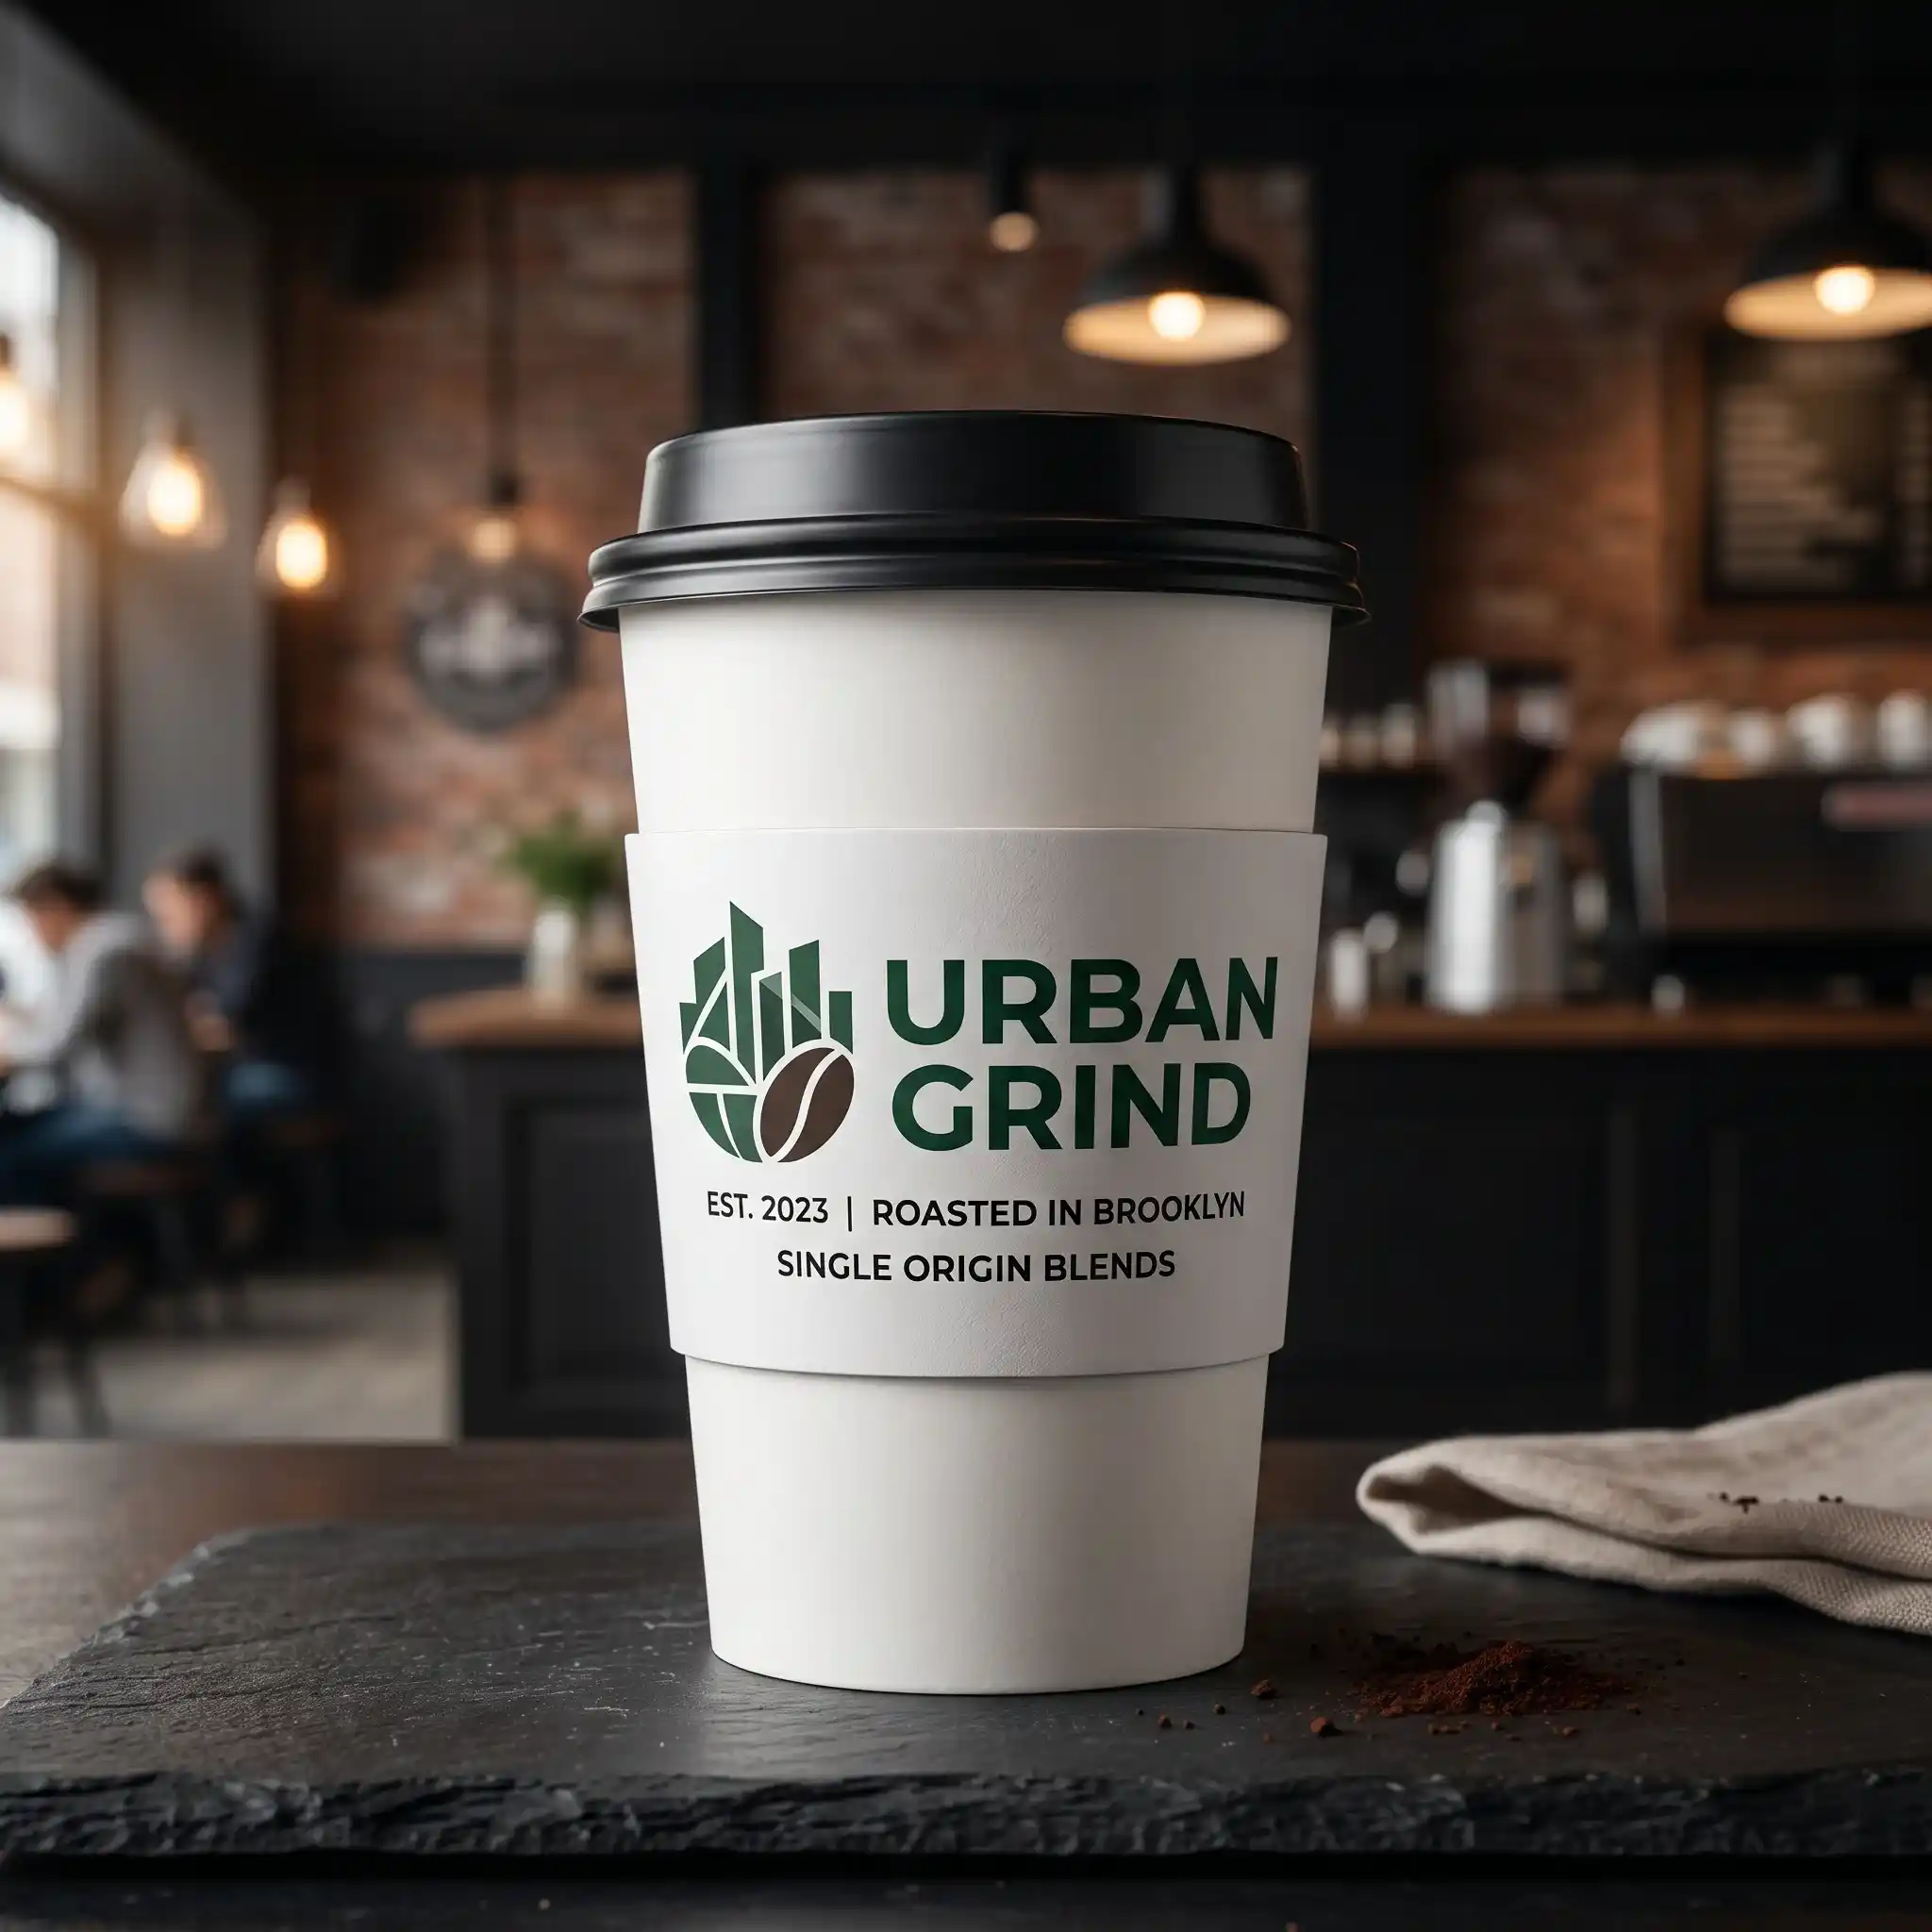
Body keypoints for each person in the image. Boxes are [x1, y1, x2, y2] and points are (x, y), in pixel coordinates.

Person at [0, 861, 206, 1208]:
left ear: (56, 906)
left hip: (152, 1119)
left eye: (32, 919)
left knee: (18, 1152)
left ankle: (49, 1256)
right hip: (153, 1107)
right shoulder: (119, 937)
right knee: (21, 1127)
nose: (33, 934)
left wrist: (9, 1050)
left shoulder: (103, 950)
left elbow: (57, 1045)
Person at [142, 846, 322, 1124]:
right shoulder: (203, 953)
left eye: (169, 912)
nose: (164, 925)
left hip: (286, 1072)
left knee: (194, 1105)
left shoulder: (256, 940)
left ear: (204, 899)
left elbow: (229, 1023)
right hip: (242, 1067)